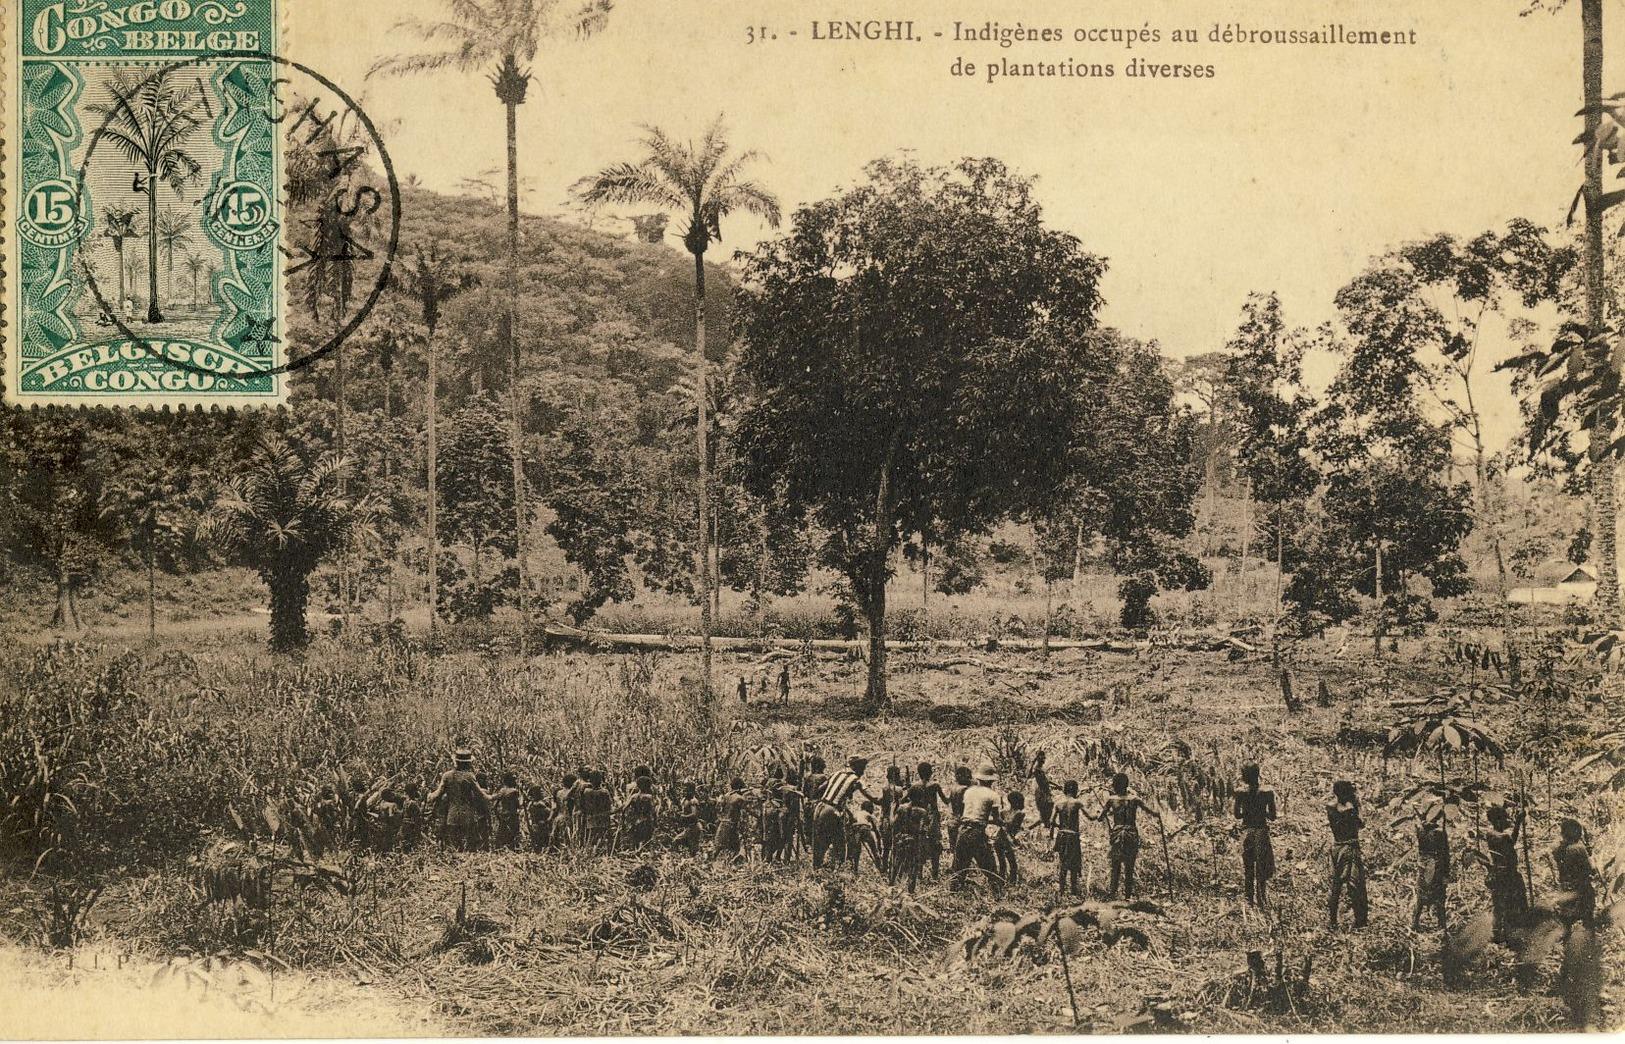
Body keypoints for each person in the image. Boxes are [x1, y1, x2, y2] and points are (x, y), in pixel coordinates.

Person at [1097, 771, 1162, 899]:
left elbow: (1100, 818)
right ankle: (1127, 894)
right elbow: (1152, 812)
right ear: (1126, 785)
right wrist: (1158, 813)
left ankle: (1112, 893)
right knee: (1129, 865)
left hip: (1117, 834)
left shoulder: (1111, 800)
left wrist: (1101, 813)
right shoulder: (1135, 799)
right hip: (1131, 834)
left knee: (1116, 864)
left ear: (1115, 786)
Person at [813, 757, 879, 869]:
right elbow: (873, 798)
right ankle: (839, 868)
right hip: (831, 810)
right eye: (862, 769)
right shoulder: (856, 780)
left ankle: (817, 867)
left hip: (819, 807)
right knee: (841, 840)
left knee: (819, 840)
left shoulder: (836, 773)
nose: (863, 772)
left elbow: (820, 788)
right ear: (857, 767)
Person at [426, 749, 491, 852]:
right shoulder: (470, 776)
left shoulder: (447, 776)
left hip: (452, 816)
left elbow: (437, 794)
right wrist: (493, 796)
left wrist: (429, 796)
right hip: (468, 816)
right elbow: (480, 794)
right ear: (468, 763)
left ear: (456, 761)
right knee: (470, 847)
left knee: (455, 846)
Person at [951, 762, 1001, 892]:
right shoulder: (993, 795)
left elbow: (967, 812)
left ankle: (953, 892)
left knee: (959, 866)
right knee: (989, 866)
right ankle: (997, 893)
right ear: (992, 780)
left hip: (963, 830)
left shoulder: (968, 792)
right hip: (977, 832)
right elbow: (996, 819)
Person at [1326, 780, 1368, 929]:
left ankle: (1332, 921)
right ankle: (1360, 921)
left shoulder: (1330, 807)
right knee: (1356, 886)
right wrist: (1354, 808)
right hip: (1350, 848)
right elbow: (1360, 824)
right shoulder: (1349, 809)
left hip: (1336, 847)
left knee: (1336, 886)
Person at [1233, 763, 1277, 907]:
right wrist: (1261, 812)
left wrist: (1248, 812)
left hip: (1247, 832)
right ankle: (1262, 899)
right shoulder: (1267, 792)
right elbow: (1272, 816)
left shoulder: (1240, 792)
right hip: (1261, 832)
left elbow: (1237, 815)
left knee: (1248, 868)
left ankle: (1249, 900)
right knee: (1262, 868)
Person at [1483, 801, 1528, 942]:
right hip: (1508, 875)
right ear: (1497, 820)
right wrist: (1518, 823)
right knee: (1515, 902)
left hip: (1497, 874)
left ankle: (1497, 933)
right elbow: (1511, 841)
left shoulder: (1489, 834)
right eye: (1504, 819)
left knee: (1498, 905)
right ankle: (1512, 933)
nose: (1506, 821)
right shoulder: (1503, 837)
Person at [1552, 818, 1597, 928]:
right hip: (1581, 889)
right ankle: (1589, 938)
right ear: (1576, 833)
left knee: (1567, 923)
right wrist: (1591, 859)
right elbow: (1590, 869)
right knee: (1588, 919)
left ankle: (1566, 941)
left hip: (1565, 889)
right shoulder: (1578, 848)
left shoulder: (1558, 850)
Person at [1412, 803, 1450, 932]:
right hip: (1436, 865)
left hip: (1422, 863)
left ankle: (1415, 922)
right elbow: (1446, 854)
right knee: (1439, 896)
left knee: (1421, 895)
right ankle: (1442, 924)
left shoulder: (1420, 829)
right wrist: (1446, 873)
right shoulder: (1440, 833)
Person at [890, 786, 929, 894]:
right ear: (921, 797)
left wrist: (892, 809)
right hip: (914, 841)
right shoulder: (922, 812)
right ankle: (910, 892)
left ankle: (891, 887)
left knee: (897, 863)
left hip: (901, 839)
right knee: (913, 867)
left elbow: (893, 823)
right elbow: (922, 829)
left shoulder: (901, 808)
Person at [1052, 780, 1086, 898]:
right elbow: (1090, 817)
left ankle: (1061, 891)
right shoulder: (1077, 803)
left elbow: (1052, 821)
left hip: (1061, 836)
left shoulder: (1058, 804)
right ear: (1075, 790)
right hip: (1072, 836)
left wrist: (1058, 829)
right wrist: (1098, 815)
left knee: (1063, 862)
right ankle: (1073, 890)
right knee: (1074, 863)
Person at [916, 762, 946, 880]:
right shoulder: (935, 785)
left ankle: (919, 874)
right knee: (935, 845)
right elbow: (946, 800)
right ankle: (935, 875)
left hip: (919, 818)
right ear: (930, 772)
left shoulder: (915, 786)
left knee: (920, 845)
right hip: (933, 818)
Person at [994, 790, 1025, 884]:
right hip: (1007, 840)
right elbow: (1016, 828)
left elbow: (1000, 824)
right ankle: (1012, 883)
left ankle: (1001, 882)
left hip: (999, 838)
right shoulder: (1020, 814)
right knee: (1013, 864)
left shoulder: (1003, 812)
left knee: (1002, 863)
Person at [714, 777, 748, 862]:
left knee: (719, 846)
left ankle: (714, 862)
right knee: (735, 848)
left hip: (723, 823)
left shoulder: (726, 796)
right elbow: (747, 810)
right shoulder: (739, 798)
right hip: (732, 824)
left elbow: (720, 807)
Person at [580, 770, 613, 850]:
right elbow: (609, 805)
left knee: (592, 838)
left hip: (590, 817)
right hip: (603, 818)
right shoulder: (604, 792)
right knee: (603, 837)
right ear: (601, 780)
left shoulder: (586, 791)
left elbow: (583, 804)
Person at [622, 776, 658, 849]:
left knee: (636, 841)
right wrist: (655, 821)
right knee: (647, 842)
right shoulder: (649, 797)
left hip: (636, 821)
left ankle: (635, 854)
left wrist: (623, 819)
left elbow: (624, 808)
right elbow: (653, 810)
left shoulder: (634, 796)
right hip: (647, 821)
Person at [848, 800, 882, 873]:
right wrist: (878, 837)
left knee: (857, 850)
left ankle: (855, 869)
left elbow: (852, 822)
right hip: (865, 829)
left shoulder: (856, 813)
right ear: (869, 808)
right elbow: (875, 828)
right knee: (873, 848)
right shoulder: (868, 814)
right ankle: (880, 867)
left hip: (856, 830)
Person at [492, 771, 523, 851]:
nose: (515, 782)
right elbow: (518, 805)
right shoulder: (514, 791)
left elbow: (494, 806)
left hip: (504, 817)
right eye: (514, 780)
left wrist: (499, 817)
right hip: (512, 817)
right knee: (513, 838)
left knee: (502, 838)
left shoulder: (502, 790)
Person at [1031, 751, 1056, 834]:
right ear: (1039, 759)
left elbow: (1047, 781)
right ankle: (1045, 829)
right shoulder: (1037, 770)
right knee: (1046, 812)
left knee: (1046, 814)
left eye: (1044, 758)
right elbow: (1043, 783)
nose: (1044, 760)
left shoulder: (1041, 769)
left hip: (1044, 792)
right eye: (1043, 758)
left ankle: (1034, 828)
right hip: (1042, 793)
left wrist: (1056, 785)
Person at [525, 785, 554, 851]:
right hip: (542, 824)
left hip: (535, 824)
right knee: (544, 839)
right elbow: (549, 811)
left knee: (538, 840)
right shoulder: (539, 804)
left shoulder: (531, 803)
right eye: (540, 792)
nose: (542, 793)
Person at [553, 773, 578, 847]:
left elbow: (556, 807)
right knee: (568, 839)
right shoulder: (572, 794)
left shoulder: (558, 792)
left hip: (559, 817)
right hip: (568, 818)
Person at [677, 782, 702, 855]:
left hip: (694, 827)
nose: (684, 792)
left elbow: (694, 814)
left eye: (687, 790)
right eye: (684, 790)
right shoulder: (685, 800)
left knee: (693, 849)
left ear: (692, 791)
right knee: (691, 848)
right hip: (689, 827)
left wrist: (684, 816)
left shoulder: (693, 801)